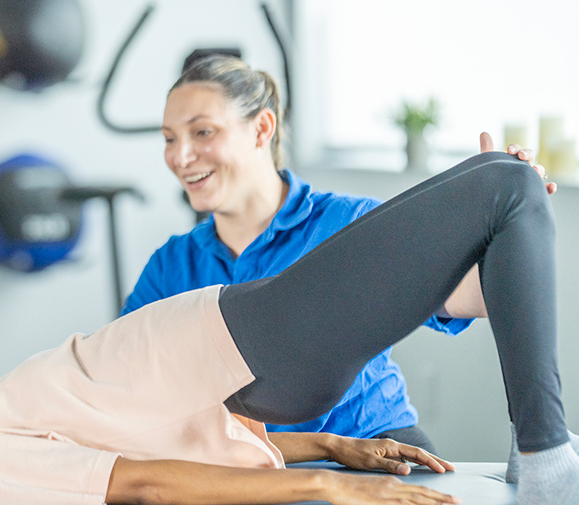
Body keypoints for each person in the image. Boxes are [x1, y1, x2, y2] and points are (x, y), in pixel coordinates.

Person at [0, 149, 579, 505]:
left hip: (255, 351)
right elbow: (137, 485)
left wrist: (325, 447)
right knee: (507, 187)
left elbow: (154, 440)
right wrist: (325, 489)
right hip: (259, 345)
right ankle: (547, 457)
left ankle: (536, 452)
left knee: (495, 180)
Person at [122, 55, 555, 452]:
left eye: (202, 132)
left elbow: (472, 299)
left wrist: (507, 230)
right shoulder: (171, 265)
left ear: (261, 129)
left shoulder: (349, 221)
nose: (180, 156)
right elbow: (124, 384)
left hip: (376, 443)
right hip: (244, 463)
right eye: (168, 139)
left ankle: (541, 447)